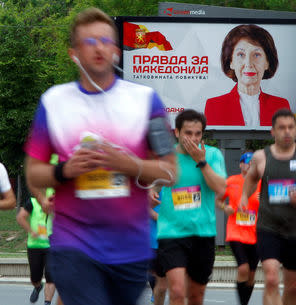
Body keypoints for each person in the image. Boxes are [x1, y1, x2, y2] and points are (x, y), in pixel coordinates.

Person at [24, 7, 176, 305]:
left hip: (129, 249)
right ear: (74, 53)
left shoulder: (146, 100)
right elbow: (33, 172)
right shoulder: (54, 102)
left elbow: (171, 172)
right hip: (73, 244)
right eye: (89, 42)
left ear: (116, 50)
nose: (98, 48)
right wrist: (65, 171)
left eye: (105, 41)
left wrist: (128, 164)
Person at [240, 109, 296, 305]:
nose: (287, 132)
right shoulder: (261, 157)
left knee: (292, 286)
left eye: (291, 127)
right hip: (268, 226)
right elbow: (251, 178)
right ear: (272, 131)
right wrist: (244, 197)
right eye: (282, 128)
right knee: (271, 278)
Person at [156, 109, 227, 305]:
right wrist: (151, 192)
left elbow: (221, 189)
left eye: (198, 133)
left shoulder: (212, 155)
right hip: (171, 233)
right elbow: (149, 183)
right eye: (188, 133)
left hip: (203, 233)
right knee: (177, 291)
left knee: (196, 297)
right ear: (177, 132)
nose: (193, 138)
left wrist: (201, 162)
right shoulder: (166, 157)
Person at [204, 24, 290, 127]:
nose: (248, 64)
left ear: (267, 62)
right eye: (241, 55)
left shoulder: (281, 106)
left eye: (256, 55)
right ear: (231, 62)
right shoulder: (214, 106)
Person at [216, 152, 261, 305]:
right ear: (240, 164)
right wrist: (225, 207)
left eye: (253, 163)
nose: (249, 165)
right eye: (247, 162)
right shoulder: (231, 181)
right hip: (236, 231)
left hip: (256, 233)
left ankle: (245, 302)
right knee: (243, 268)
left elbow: (274, 203)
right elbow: (218, 200)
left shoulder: (262, 183)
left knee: (252, 274)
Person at [16, 184, 56, 305]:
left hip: (52, 245)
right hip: (35, 245)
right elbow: (21, 218)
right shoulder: (32, 202)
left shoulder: (56, 203)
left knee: (51, 276)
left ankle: (47, 302)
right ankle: (38, 286)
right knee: (35, 278)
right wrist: (31, 231)